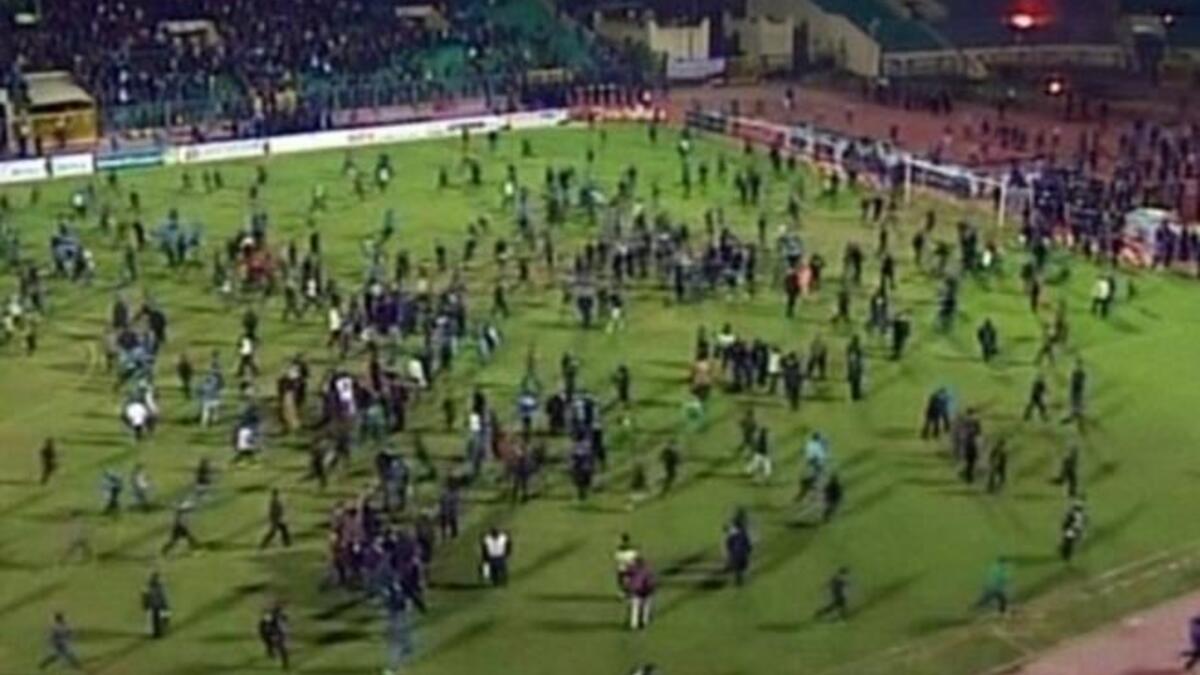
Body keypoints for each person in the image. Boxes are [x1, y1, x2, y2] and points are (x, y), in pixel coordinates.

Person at [627, 555, 656, 630]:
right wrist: (651, 588)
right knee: (646, 607)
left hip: (636, 590)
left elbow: (627, 576)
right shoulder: (647, 570)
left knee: (635, 608)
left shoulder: (632, 570)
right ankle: (644, 621)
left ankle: (633, 624)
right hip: (645, 590)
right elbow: (650, 581)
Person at [258, 602, 290, 670]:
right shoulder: (268, 617)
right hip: (269, 633)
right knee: (270, 644)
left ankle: (285, 664)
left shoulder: (280, 616)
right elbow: (264, 626)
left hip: (277, 633)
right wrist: (270, 635)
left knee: (282, 648)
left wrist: (282, 633)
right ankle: (270, 652)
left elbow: (284, 622)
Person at [141, 572, 170, 638]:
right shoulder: (158, 586)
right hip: (156, 605)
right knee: (156, 619)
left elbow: (145, 595)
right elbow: (146, 595)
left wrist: (145, 604)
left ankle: (158, 632)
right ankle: (157, 632)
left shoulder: (158, 586)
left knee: (159, 619)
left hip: (156, 605)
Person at [1059, 497, 1087, 562]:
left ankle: (1065, 554)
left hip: (1072, 529)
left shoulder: (1074, 514)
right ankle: (1066, 555)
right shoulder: (1079, 515)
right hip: (1073, 530)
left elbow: (1066, 522)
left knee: (1068, 541)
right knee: (1070, 542)